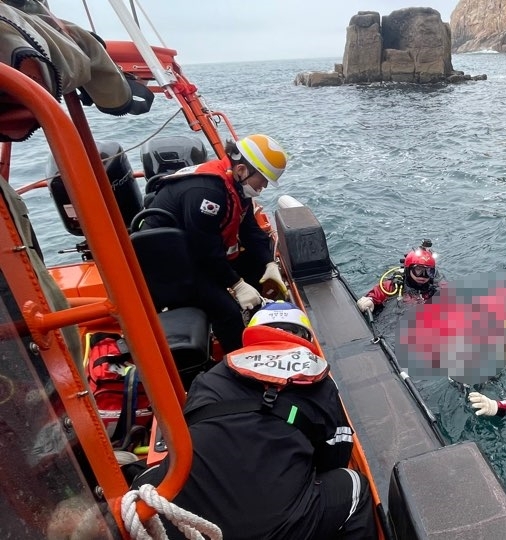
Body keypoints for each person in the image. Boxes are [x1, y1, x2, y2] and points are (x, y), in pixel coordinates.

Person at [132, 302, 377, 540]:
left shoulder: (209, 377)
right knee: (354, 485)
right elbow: (336, 456)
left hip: (183, 522)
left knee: (150, 476)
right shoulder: (320, 385)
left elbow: (189, 430)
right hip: (276, 528)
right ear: (306, 340)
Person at [143, 134, 289, 352]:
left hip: (195, 254)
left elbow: (250, 230)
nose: (265, 185)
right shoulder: (207, 193)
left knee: (255, 266)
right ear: (242, 170)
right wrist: (237, 285)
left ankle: (261, 315)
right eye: (263, 178)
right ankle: (239, 364)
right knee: (227, 312)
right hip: (171, 267)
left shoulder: (236, 186)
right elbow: (204, 250)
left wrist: (269, 264)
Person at [356, 240, 441, 315]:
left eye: (429, 271)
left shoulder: (436, 287)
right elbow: (377, 293)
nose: (423, 275)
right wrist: (370, 300)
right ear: (408, 270)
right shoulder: (394, 286)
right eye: (418, 270)